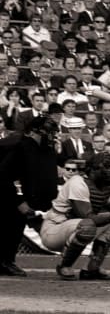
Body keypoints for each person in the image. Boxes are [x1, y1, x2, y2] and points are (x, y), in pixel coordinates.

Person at [40, 152, 110, 280]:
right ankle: (65, 266)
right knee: (87, 226)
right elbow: (88, 216)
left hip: (74, 227)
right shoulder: (78, 182)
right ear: (94, 170)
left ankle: (92, 268)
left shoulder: (106, 186)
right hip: (54, 229)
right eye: (106, 167)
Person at [0, 117, 59, 276]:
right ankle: (6, 262)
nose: (51, 137)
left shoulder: (44, 149)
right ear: (33, 132)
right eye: (48, 133)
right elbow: (3, 176)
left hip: (16, 195)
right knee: (11, 223)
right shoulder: (19, 147)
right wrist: (18, 201)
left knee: (15, 224)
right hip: (6, 192)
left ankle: (6, 261)